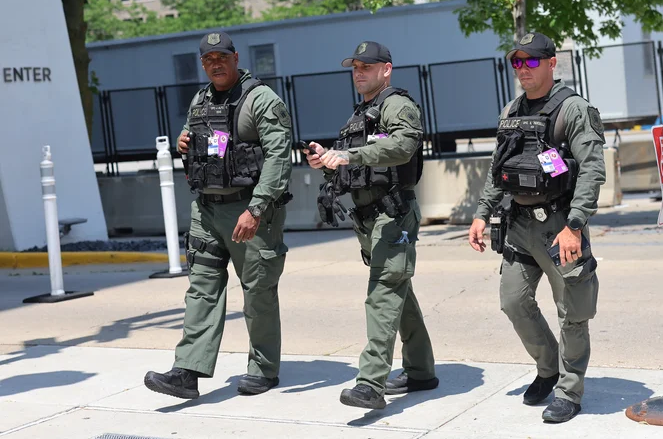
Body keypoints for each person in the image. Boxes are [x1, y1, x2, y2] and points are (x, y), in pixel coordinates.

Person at [144, 31, 293, 399]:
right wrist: (182, 141)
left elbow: (278, 157)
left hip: (249, 210)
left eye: (222, 57)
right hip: (206, 209)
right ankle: (187, 371)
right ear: (203, 63)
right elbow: (196, 137)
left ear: (236, 57)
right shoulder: (201, 98)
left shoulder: (260, 99)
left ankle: (263, 368)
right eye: (209, 59)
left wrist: (256, 208)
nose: (216, 64)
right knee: (201, 290)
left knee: (257, 292)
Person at [468, 32, 606, 423]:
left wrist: (576, 225)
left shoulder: (573, 109)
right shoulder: (511, 110)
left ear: (551, 63)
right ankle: (549, 369)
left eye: (530, 61)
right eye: (516, 62)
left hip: (561, 224)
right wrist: (481, 213)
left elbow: (593, 171)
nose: (522, 69)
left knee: (572, 312)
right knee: (513, 301)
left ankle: (569, 389)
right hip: (520, 224)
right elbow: (499, 169)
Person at [304, 41, 438, 410]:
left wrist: (349, 154)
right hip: (369, 218)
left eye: (366, 66)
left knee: (383, 292)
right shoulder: (363, 111)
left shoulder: (397, 105)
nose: (359, 72)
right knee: (397, 289)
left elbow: (403, 146)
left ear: (386, 69)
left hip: (392, 216)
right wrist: (327, 157)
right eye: (355, 67)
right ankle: (422, 371)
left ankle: (370, 383)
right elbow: (355, 157)